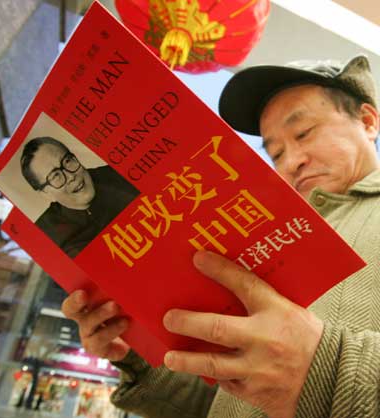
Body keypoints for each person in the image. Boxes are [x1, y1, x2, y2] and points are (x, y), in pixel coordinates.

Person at [61, 54, 380, 417]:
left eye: (304, 133)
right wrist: (137, 350)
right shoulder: (264, 238)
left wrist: (323, 371)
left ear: (368, 121)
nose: (291, 161)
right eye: (275, 152)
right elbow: (219, 402)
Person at [20, 137, 140, 257]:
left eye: (67, 161)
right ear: (45, 194)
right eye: (55, 176)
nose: (71, 177)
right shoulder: (45, 237)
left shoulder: (121, 175)